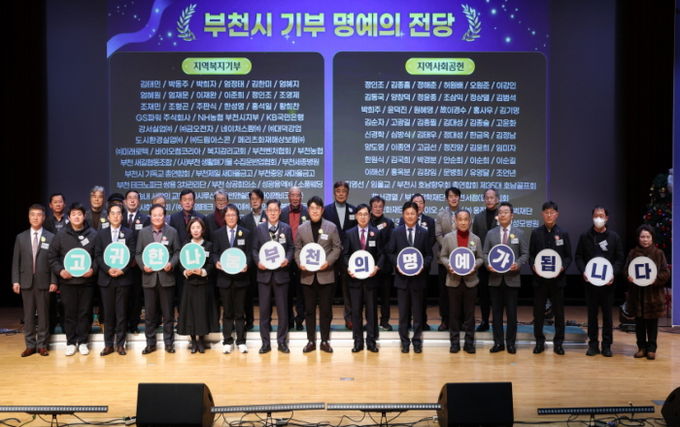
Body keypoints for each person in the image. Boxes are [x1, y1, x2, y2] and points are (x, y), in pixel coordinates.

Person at [48, 202, 98, 356]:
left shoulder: (93, 234)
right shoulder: (61, 234)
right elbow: (52, 256)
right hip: (67, 282)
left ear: (84, 216)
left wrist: (93, 269)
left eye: (79, 214)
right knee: (69, 313)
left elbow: (98, 256)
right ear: (69, 217)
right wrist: (60, 271)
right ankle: (70, 342)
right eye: (73, 214)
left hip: (87, 282)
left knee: (85, 312)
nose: (76, 217)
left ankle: (83, 342)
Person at [575, 206, 625, 357]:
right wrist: (583, 271)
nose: (598, 218)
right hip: (590, 284)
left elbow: (619, 259)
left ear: (606, 218)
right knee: (592, 316)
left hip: (608, 285)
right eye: (596, 215)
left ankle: (607, 345)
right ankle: (593, 345)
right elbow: (579, 256)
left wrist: (613, 274)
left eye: (601, 215)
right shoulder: (585, 236)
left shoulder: (614, 237)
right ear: (592, 217)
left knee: (608, 316)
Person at [295, 196, 342, 353]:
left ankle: (325, 341)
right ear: (308, 210)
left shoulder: (331, 227)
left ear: (322, 210)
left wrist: (328, 262)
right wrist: (299, 263)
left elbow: (337, 248)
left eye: (317, 208)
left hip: (326, 275)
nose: (315, 211)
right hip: (307, 276)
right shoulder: (302, 228)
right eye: (312, 208)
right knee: (309, 311)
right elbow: (297, 249)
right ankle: (311, 341)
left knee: (326, 311)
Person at [12, 204, 57, 357]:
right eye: (33, 215)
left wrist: (54, 281)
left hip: (44, 281)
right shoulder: (21, 237)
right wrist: (15, 280)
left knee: (44, 315)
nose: (36, 217)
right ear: (29, 217)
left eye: (39, 215)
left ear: (44, 217)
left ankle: (42, 345)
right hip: (26, 281)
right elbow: (16, 261)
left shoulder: (51, 237)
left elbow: (53, 261)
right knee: (28, 316)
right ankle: (30, 345)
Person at [387, 201, 433, 353]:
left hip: (418, 280)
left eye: (413, 213)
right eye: (407, 213)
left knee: (418, 314)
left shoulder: (424, 232)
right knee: (403, 314)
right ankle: (404, 342)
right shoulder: (396, 232)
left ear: (417, 214)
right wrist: (397, 264)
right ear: (403, 215)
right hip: (402, 280)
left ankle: (417, 341)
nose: (410, 216)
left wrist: (423, 265)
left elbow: (429, 255)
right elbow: (390, 252)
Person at [136, 203, 181, 354]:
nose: (157, 218)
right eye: (154, 215)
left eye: (160, 215)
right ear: (150, 216)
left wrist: (171, 264)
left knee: (168, 314)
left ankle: (169, 343)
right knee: (149, 314)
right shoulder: (143, 233)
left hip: (166, 278)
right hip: (149, 279)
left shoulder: (172, 232)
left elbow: (177, 252)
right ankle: (150, 343)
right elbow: (138, 253)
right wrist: (143, 266)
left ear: (164, 216)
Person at [483, 202, 528, 354]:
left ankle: (510, 343)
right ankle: (498, 343)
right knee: (496, 314)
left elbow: (525, 254)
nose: (502, 214)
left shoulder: (519, 233)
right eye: (500, 212)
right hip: (495, 279)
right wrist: (488, 264)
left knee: (512, 314)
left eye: (506, 212)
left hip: (512, 279)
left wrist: (518, 264)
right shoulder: (491, 233)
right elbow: (485, 253)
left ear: (512, 215)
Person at [529, 201, 572, 355]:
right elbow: (531, 255)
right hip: (540, 280)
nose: (549, 215)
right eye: (546, 212)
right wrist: (533, 265)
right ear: (542, 214)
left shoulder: (563, 233)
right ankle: (539, 342)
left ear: (556, 214)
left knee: (559, 313)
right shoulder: (536, 233)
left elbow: (568, 256)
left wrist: (562, 267)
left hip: (557, 280)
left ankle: (558, 343)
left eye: (552, 212)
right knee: (538, 313)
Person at [252, 199, 294, 354]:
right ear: (266, 212)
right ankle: (265, 343)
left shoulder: (286, 228)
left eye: (275, 210)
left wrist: (287, 259)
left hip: (281, 276)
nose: (273, 213)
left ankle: (282, 342)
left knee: (283, 311)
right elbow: (254, 249)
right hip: (264, 276)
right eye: (270, 210)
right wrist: (258, 262)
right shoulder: (259, 229)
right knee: (264, 312)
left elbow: (291, 248)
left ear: (280, 211)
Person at [94, 204, 136, 356]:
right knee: (108, 313)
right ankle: (108, 345)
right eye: (113, 213)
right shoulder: (101, 234)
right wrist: (108, 269)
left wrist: (122, 270)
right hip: (106, 279)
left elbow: (132, 254)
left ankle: (120, 344)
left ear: (122, 216)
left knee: (121, 313)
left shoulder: (129, 233)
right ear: (108, 216)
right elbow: (98, 255)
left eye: (118, 213)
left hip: (123, 279)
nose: (116, 216)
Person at [439, 210, 483, 354]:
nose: (463, 222)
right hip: (453, 281)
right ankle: (454, 343)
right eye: (460, 219)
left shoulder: (476, 239)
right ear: (456, 221)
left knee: (470, 315)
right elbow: (443, 256)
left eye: (466, 219)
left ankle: (469, 343)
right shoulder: (448, 238)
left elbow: (481, 258)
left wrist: (475, 265)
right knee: (454, 314)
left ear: (470, 221)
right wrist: (449, 265)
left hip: (471, 281)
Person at [625, 225, 669, 360]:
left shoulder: (658, 253)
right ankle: (641, 348)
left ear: (652, 238)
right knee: (639, 324)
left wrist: (656, 279)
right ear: (638, 238)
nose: (645, 239)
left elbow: (665, 273)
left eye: (648, 237)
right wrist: (628, 277)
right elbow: (626, 270)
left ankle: (651, 349)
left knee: (652, 324)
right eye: (642, 237)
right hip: (637, 295)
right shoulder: (632, 253)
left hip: (653, 295)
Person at [343, 203, 383, 353]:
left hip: (371, 280)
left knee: (371, 312)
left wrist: (377, 267)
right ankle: (358, 342)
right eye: (360, 214)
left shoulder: (376, 233)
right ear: (356, 216)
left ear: (369, 216)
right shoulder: (349, 233)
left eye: (366, 214)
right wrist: (349, 267)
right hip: (354, 280)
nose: (363, 217)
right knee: (356, 312)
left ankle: (371, 341)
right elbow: (345, 255)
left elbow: (382, 254)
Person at [213, 204, 252, 354]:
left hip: (241, 279)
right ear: (224, 217)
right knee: (227, 312)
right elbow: (215, 253)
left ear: (237, 217)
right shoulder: (218, 234)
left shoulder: (245, 233)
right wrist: (216, 262)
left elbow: (249, 253)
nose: (231, 218)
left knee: (239, 312)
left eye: (233, 215)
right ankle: (227, 341)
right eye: (228, 215)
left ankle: (241, 341)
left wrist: (247, 264)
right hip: (224, 279)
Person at [177, 218, 219, 353]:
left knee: (202, 312)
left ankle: (201, 340)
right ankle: (193, 341)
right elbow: (180, 263)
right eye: (193, 227)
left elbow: (211, 263)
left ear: (203, 230)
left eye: (198, 227)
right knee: (190, 313)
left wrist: (203, 271)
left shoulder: (209, 245)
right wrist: (185, 271)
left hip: (204, 284)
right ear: (189, 230)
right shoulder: (185, 245)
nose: (195, 230)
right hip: (189, 283)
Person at [323, 181, 358, 329]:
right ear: (334, 193)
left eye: (344, 191)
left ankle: (349, 319)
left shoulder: (354, 210)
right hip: (331, 255)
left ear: (347, 193)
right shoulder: (326, 210)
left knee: (348, 290)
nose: (341, 193)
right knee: (328, 291)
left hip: (348, 256)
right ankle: (327, 320)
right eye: (338, 191)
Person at [280, 186, 308, 330]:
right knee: (287, 291)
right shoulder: (282, 212)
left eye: (298, 195)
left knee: (302, 291)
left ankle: (300, 319)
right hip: (286, 256)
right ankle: (289, 319)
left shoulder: (307, 212)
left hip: (303, 256)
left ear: (301, 197)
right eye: (293, 195)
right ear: (288, 197)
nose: (295, 198)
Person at [435, 186, 462, 331]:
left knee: (460, 291)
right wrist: (448, 247)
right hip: (444, 259)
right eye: (451, 196)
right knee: (444, 292)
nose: (453, 198)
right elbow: (438, 235)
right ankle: (445, 320)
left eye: (456, 196)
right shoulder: (441, 215)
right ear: (447, 199)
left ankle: (460, 320)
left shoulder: (465, 214)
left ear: (459, 198)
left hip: (462, 259)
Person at [472, 188, 499, 331]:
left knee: (497, 294)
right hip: (483, 262)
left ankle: (497, 322)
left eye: (492, 197)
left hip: (499, 261)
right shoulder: (478, 217)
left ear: (497, 199)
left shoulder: (503, 215)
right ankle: (484, 321)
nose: (489, 200)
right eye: (487, 198)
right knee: (483, 294)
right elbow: (475, 240)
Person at [241, 188, 266, 330]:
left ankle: (266, 322)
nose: (254, 201)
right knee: (248, 294)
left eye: (257, 199)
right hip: (250, 262)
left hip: (267, 260)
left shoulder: (269, 216)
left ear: (262, 200)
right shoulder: (244, 220)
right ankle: (249, 321)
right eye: (252, 199)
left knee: (265, 295)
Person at [123, 190, 147, 333]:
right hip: (121, 264)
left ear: (139, 202)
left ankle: (134, 325)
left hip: (137, 265)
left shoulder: (145, 219)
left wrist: (137, 259)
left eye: (135, 198)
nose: (132, 200)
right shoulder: (119, 217)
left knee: (136, 296)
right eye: (129, 198)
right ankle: (123, 325)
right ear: (125, 201)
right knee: (123, 296)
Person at [369, 195, 395, 331]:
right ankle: (371, 322)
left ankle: (384, 322)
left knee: (385, 297)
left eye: (380, 206)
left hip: (385, 266)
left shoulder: (389, 223)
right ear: (371, 208)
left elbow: (390, 245)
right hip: (369, 266)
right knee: (370, 298)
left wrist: (380, 262)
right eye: (375, 206)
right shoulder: (366, 221)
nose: (378, 209)